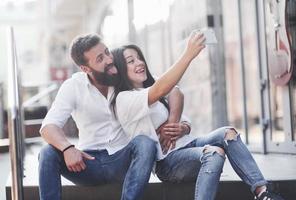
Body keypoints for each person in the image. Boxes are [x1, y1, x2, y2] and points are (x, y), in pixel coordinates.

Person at [110, 35, 285, 199]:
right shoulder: (124, 99)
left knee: (228, 133)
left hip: (189, 144)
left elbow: (176, 92)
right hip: (168, 161)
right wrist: (188, 54)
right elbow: (163, 89)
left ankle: (262, 192)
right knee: (214, 153)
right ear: (120, 69)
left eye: (139, 57)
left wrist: (177, 126)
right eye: (131, 61)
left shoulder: (152, 84)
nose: (139, 62)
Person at [38, 33, 184, 200]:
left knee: (145, 142)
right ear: (86, 69)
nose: (108, 59)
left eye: (107, 52)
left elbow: (173, 90)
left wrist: (172, 123)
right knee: (47, 152)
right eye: (100, 58)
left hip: (122, 159)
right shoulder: (73, 86)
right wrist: (67, 148)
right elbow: (48, 127)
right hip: (87, 164)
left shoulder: (122, 75)